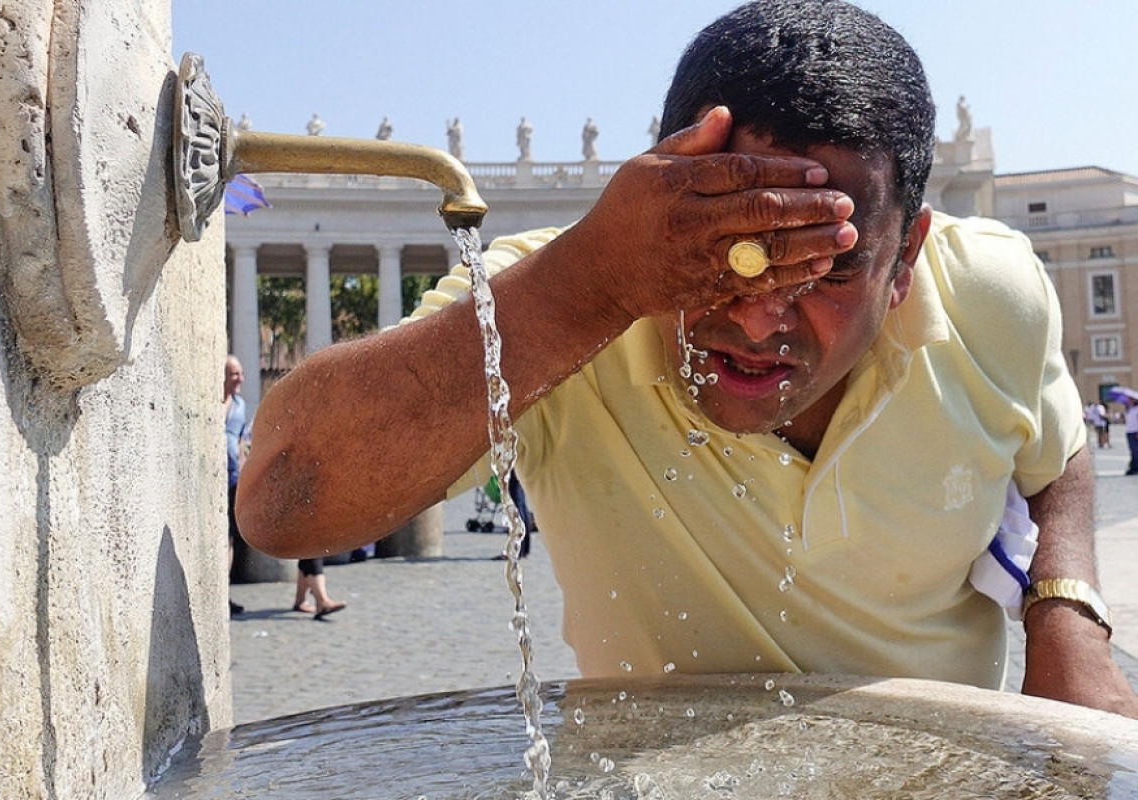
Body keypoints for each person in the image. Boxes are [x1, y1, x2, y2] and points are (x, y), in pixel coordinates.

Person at [238, 0, 1137, 717]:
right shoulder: (564, 298)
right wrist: (594, 281)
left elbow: (1054, 454)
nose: (756, 319)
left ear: (905, 262)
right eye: (722, 252)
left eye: (821, 268)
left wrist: (1066, 615)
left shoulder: (992, 289)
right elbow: (280, 503)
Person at [223, 355, 250, 618]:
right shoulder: (218, 403)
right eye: (234, 374)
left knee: (230, 538)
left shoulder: (241, 406)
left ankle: (224, 593)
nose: (240, 379)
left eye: (240, 373)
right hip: (213, 481)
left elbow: (241, 441)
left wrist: (242, 470)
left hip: (232, 480)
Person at [1125, 398, 1138, 475]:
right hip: (1129, 432)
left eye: (1131, 400)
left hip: (1135, 431)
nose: (1129, 401)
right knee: (1132, 450)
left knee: (1136, 450)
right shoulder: (1130, 409)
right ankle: (1133, 467)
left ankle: (1136, 467)